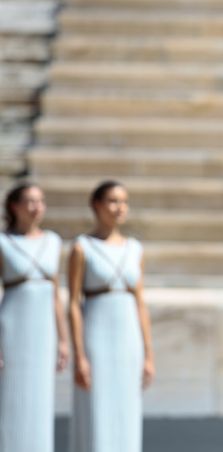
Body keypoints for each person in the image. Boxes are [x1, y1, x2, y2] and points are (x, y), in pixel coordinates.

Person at [69, 180, 155, 452]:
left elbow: (140, 302)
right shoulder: (82, 247)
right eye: (113, 201)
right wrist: (79, 355)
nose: (120, 207)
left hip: (128, 337)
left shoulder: (135, 248)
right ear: (97, 205)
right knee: (97, 407)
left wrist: (149, 354)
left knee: (127, 408)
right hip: (96, 334)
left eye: (124, 201)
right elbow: (72, 303)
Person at [0, 181, 68, 452]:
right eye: (29, 201)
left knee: (40, 398)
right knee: (12, 396)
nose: (35, 207)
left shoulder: (53, 241)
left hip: (43, 331)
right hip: (13, 327)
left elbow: (55, 293)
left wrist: (63, 339)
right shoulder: (3, 242)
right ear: (14, 206)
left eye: (39, 201)